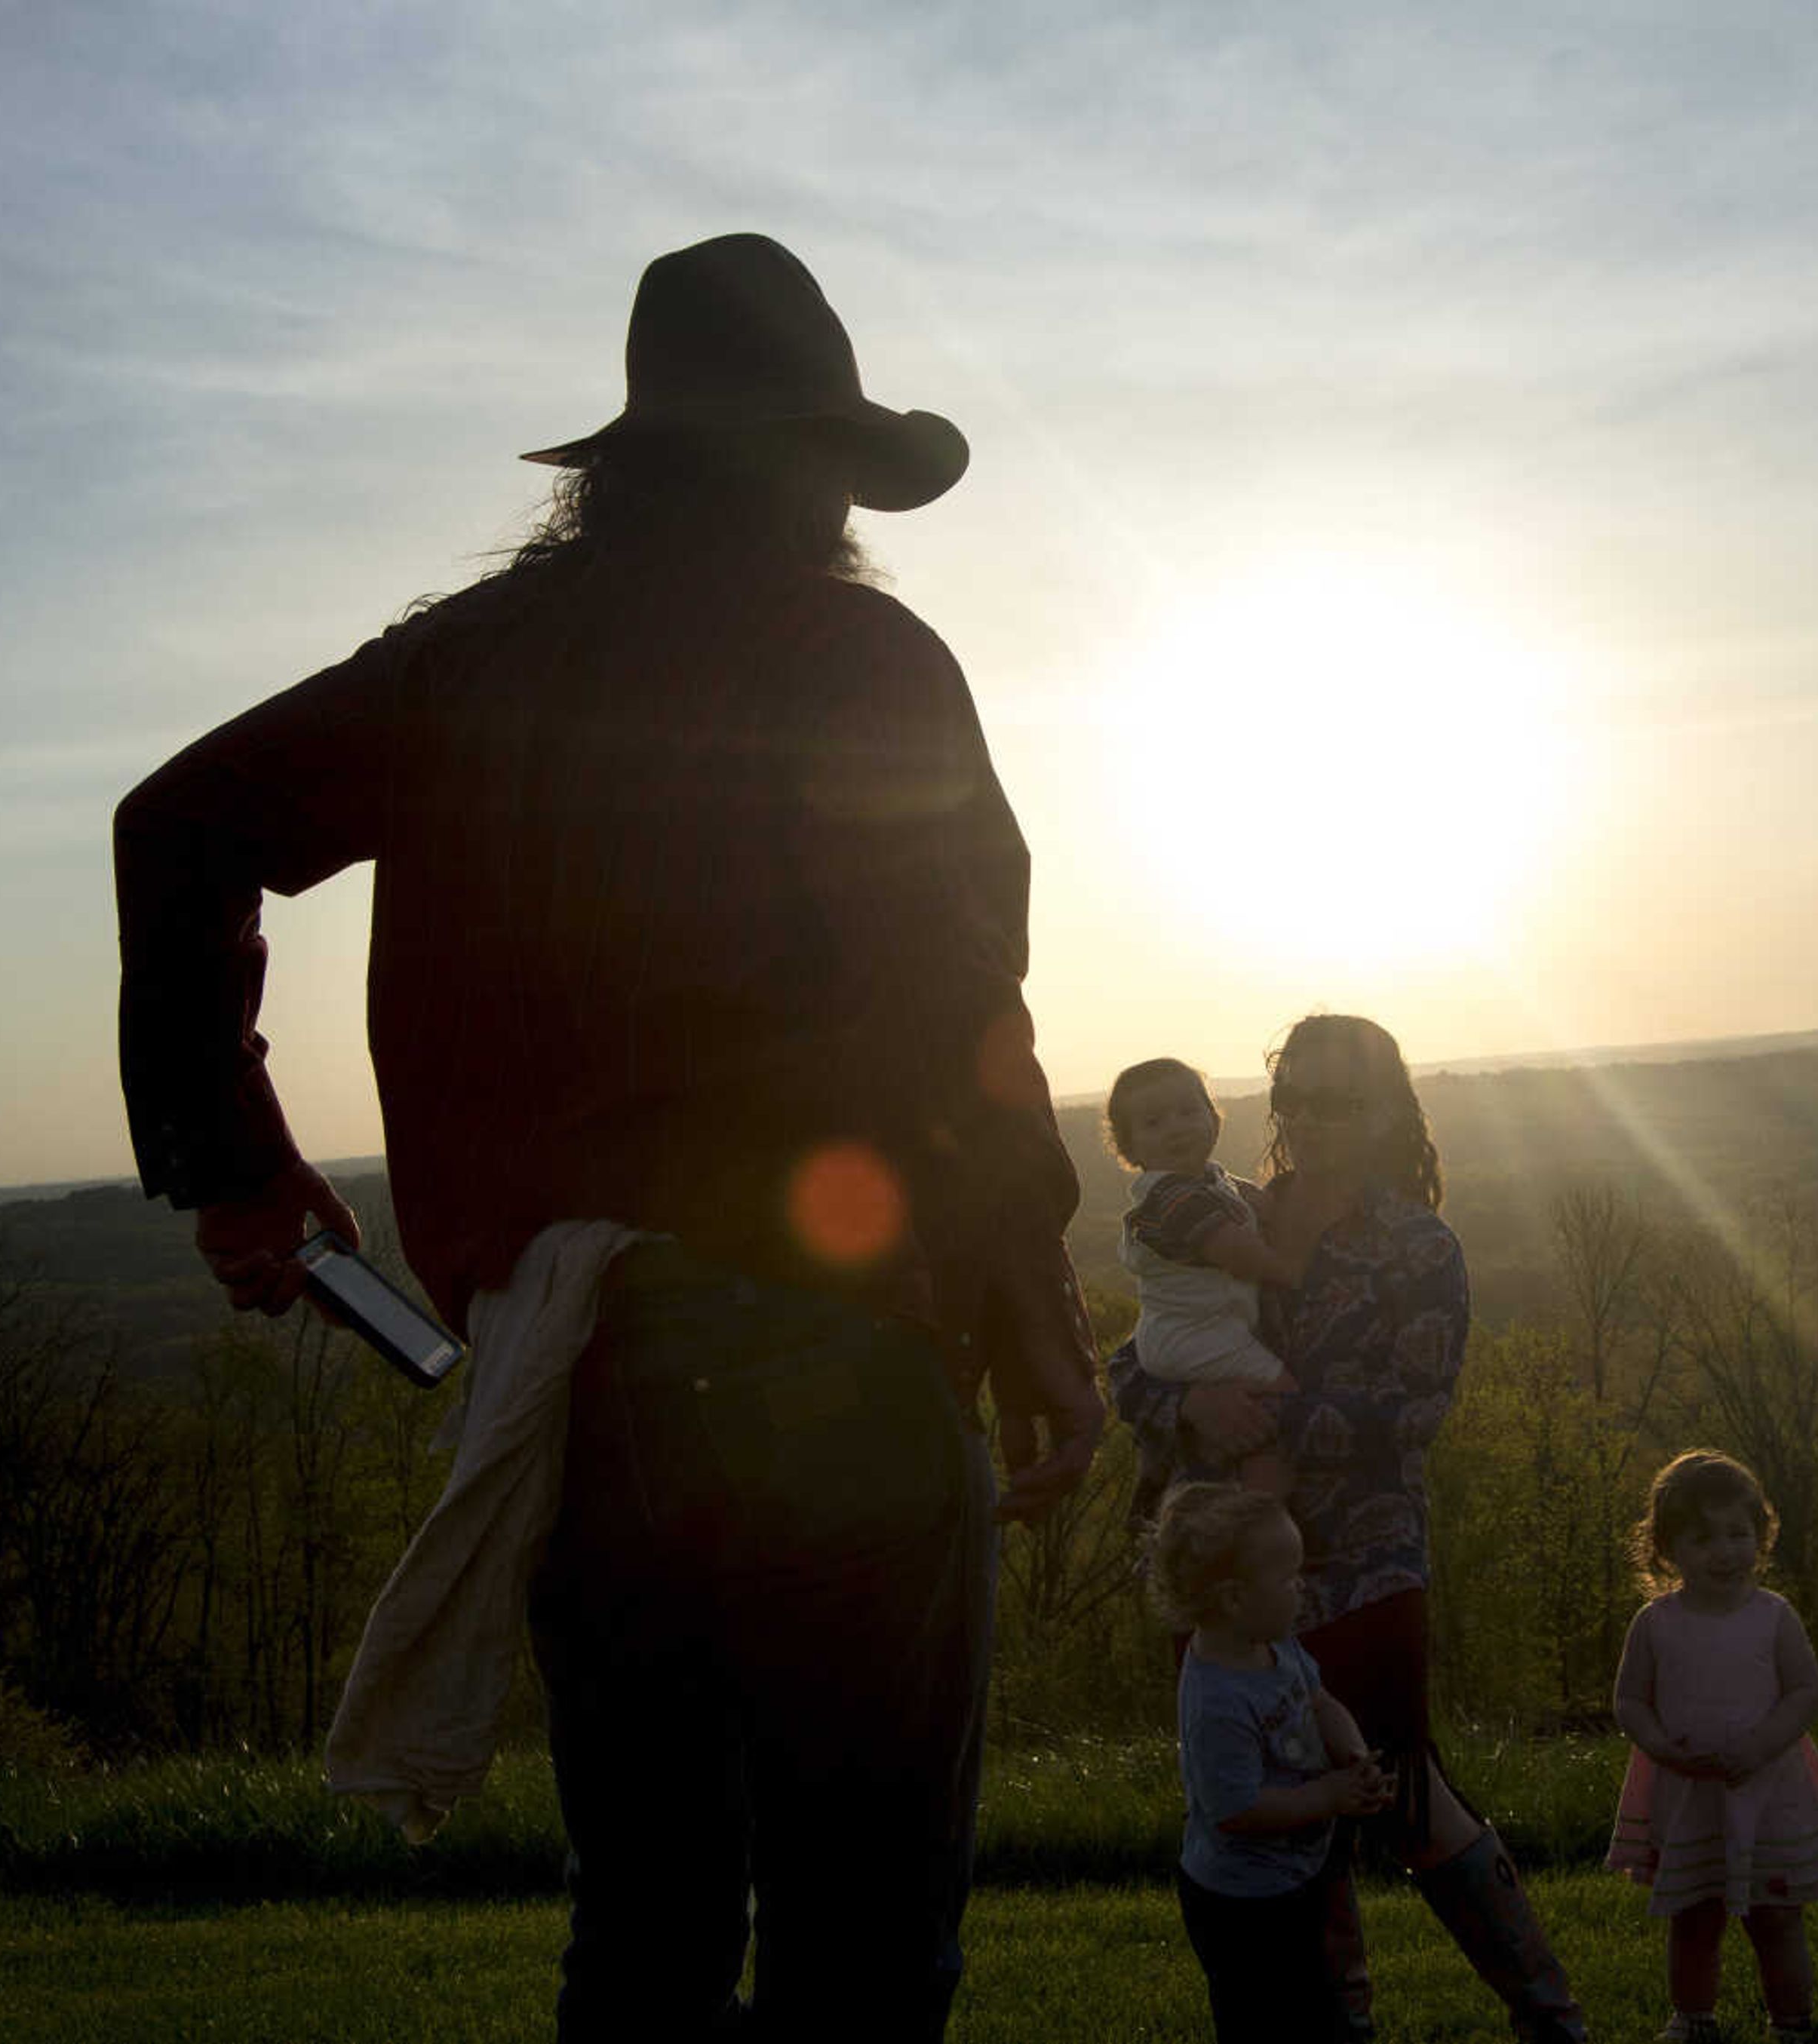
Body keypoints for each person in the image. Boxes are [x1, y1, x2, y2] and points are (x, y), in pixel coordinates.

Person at [112, 232, 1104, 2042]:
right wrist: (1028, 1291)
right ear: (818, 465)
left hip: (576, 1376)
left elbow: (175, 825)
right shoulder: (855, 653)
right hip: (826, 1351)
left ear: (624, 468)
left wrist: (239, 1171)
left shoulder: (460, 665)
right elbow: (949, 1005)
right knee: (862, 1948)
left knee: (646, 1931)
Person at [1109, 1014, 1588, 2043]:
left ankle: (1548, 2012)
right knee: (1283, 1814)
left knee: (1402, 1794)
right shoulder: (1229, 1211)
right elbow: (1136, 1357)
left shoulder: (1419, 1243)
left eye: (1344, 1098)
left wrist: (1264, 1415)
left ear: (1390, 1109)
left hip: (1362, 1561)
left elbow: (1412, 1411)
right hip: (1226, 1573)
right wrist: (1188, 1409)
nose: (1317, 1118)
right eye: (1299, 1098)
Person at [1605, 1450, 1818, 2044]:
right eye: (1703, 1538)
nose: (1725, 1552)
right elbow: (1630, 1701)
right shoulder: (1655, 1623)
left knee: (1777, 1914)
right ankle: (1692, 2019)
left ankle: (1791, 2023)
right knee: (1693, 1913)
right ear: (1667, 1549)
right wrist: (1663, 1747)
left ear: (1761, 1536)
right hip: (1688, 1791)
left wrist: (1762, 1745)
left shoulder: (1773, 1617)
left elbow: (1804, 1689)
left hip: (1768, 1787)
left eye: (1738, 1534)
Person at [1151, 1480, 1396, 2042]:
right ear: (1235, 1598)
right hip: (1241, 1906)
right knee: (1262, 2018)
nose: (1303, 1589)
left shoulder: (1274, 1644)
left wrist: (1355, 1759)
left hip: (1293, 1879)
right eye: (1289, 1578)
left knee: (1313, 2005)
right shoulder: (1216, 1700)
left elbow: (1319, 1700)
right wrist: (1330, 1797)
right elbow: (1238, 1809)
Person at [1107, 1057, 1314, 1495]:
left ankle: (1179, 1467)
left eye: (1188, 1112)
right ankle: (1262, 1502)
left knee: (1247, 1396)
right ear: (1130, 1151)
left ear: (1214, 1120)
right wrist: (1291, 1272)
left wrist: (1269, 1205)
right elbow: (1235, 1251)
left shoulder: (1206, 1183)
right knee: (1280, 1392)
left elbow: (1244, 1197)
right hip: (1193, 1335)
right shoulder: (1173, 1201)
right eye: (1154, 1122)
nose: (1176, 1127)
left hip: (1199, 1332)